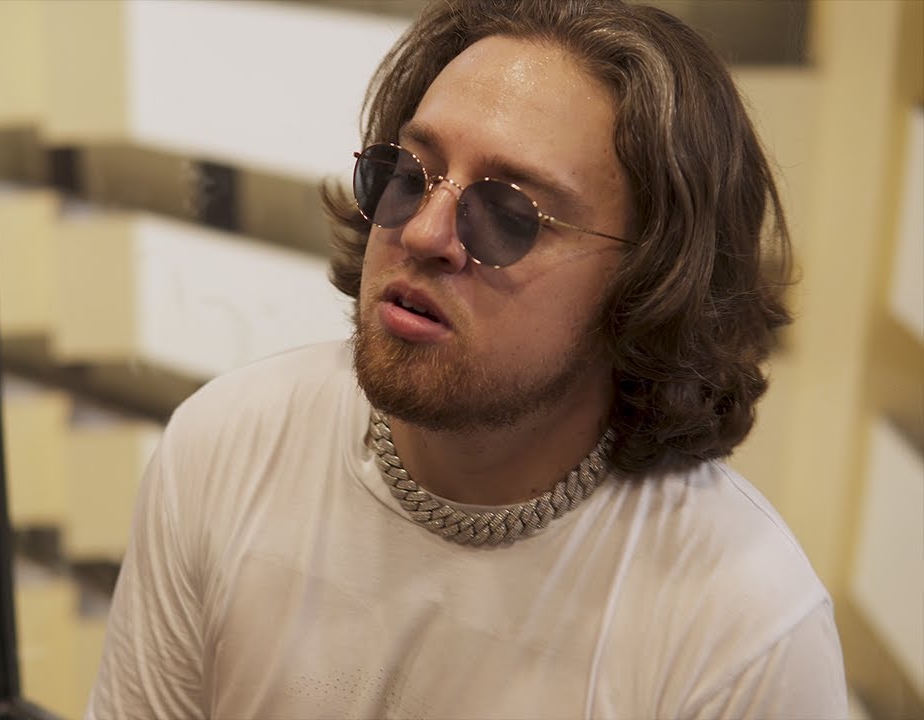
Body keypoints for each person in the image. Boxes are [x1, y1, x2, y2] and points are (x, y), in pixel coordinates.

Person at [87, 0, 848, 717]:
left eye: (508, 213)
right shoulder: (224, 447)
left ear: (650, 283)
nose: (423, 233)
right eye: (409, 175)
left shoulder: (743, 625)